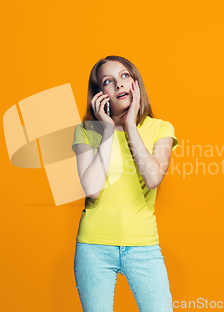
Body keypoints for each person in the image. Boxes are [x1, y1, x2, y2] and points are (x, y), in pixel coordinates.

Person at [71, 55, 178, 312]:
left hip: (143, 245)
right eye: (108, 81)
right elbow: (92, 188)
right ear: (100, 94)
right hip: (94, 246)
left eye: (124, 76)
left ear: (135, 83)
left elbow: (152, 178)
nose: (119, 84)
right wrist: (107, 131)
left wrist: (130, 124)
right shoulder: (87, 131)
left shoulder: (160, 129)